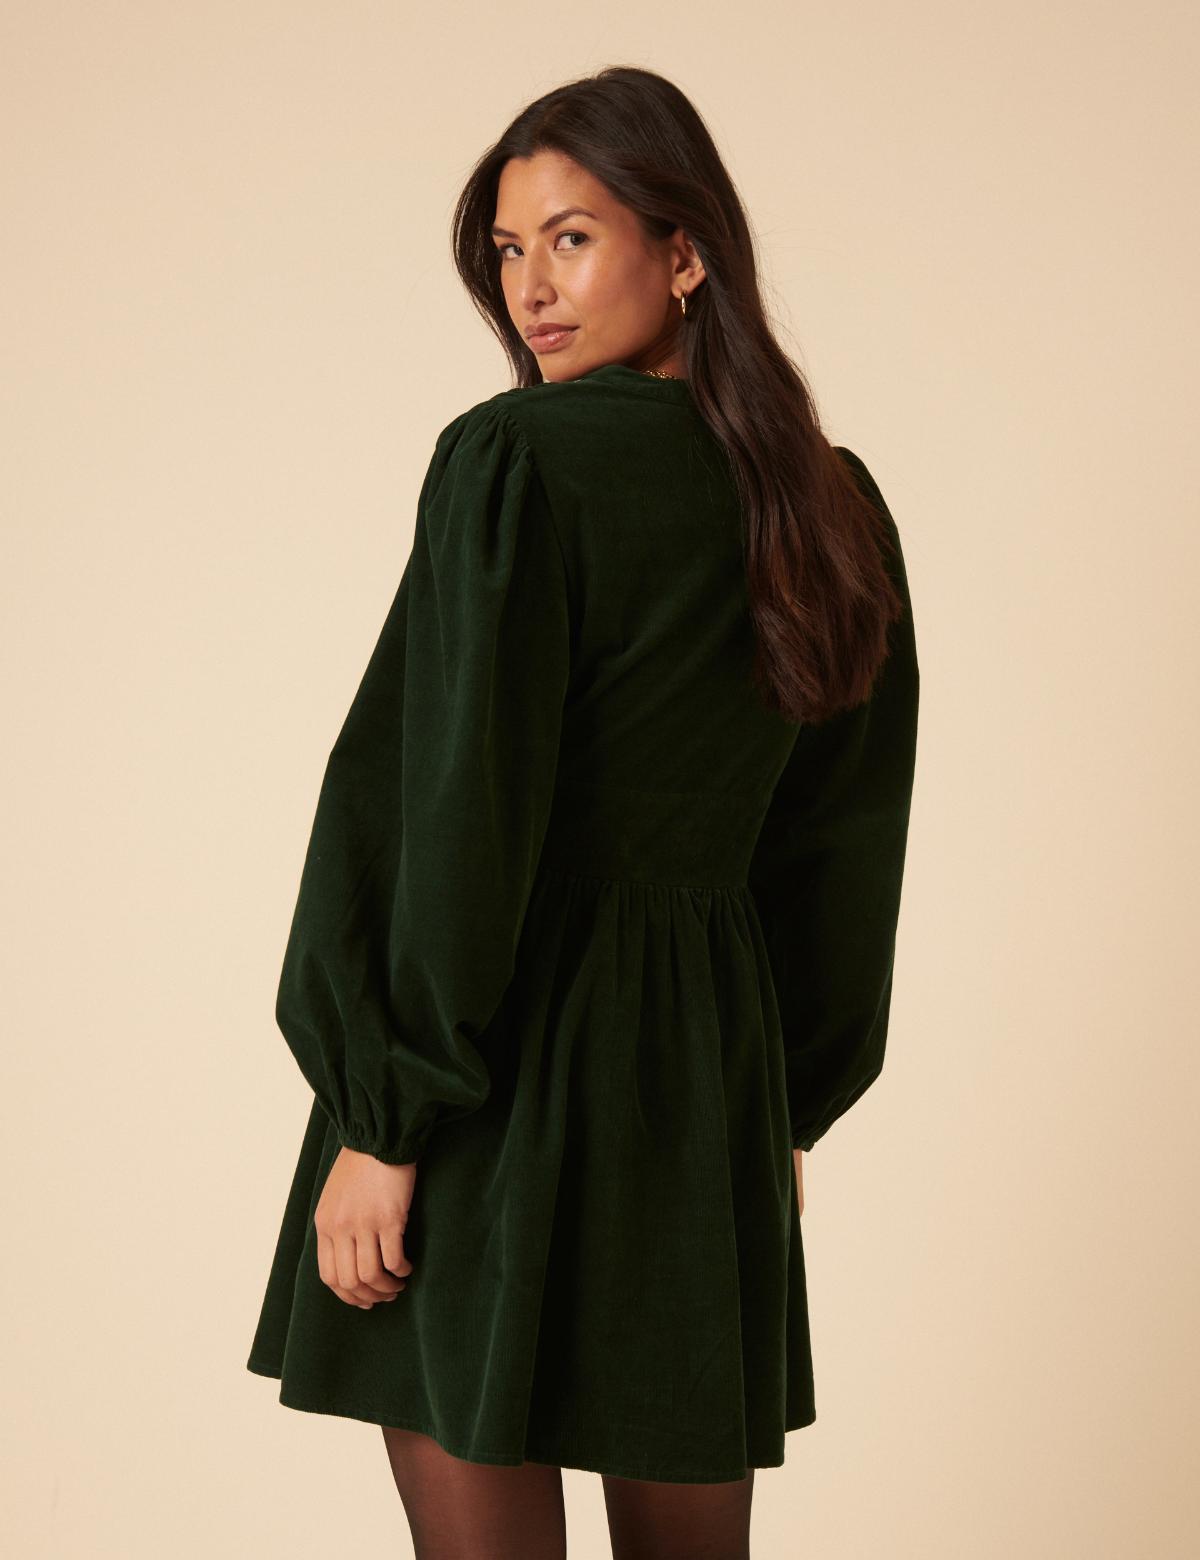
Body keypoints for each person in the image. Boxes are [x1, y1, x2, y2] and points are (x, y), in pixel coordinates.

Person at [246, 64, 920, 1560]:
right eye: (508, 249)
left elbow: (448, 810)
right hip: (700, 1093)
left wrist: (383, 1118)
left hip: (494, 1074)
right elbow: (841, 848)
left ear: (686, 253)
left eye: (571, 237)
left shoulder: (518, 462)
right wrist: (777, 1111)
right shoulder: (832, 502)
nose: (530, 289)